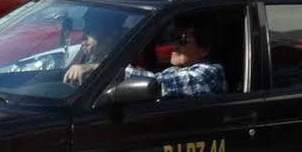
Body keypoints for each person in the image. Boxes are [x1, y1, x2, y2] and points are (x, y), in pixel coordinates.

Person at [64, 21, 225, 95]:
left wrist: (95, 69)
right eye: (173, 38)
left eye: (182, 40)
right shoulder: (174, 69)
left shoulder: (209, 74)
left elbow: (157, 83)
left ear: (204, 50)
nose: (174, 45)